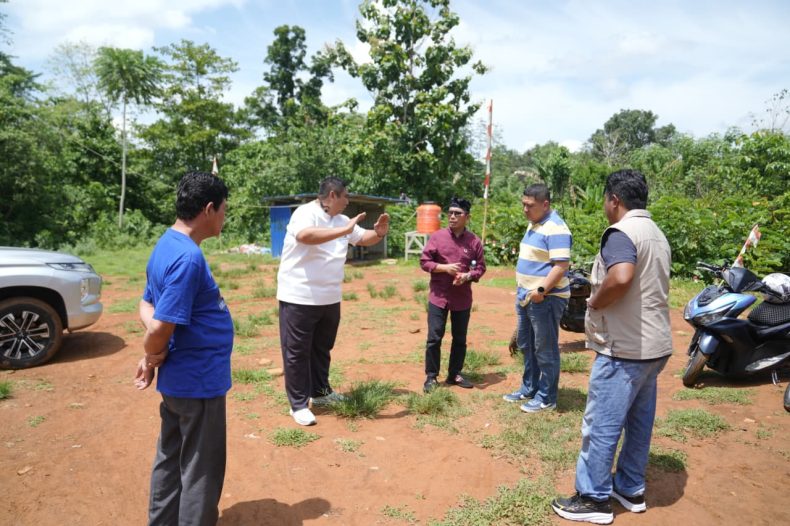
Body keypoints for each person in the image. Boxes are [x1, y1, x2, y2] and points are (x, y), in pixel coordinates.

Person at [551, 169, 672, 525]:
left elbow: (620, 277)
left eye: (605, 200)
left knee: (601, 425)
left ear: (614, 200)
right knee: (639, 422)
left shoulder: (621, 232)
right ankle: (630, 488)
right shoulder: (656, 232)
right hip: (653, 347)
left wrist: (595, 301)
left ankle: (593, 498)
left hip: (624, 349)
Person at [134, 171, 234, 526]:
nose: (224, 217)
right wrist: (152, 353)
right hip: (198, 381)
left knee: (171, 457)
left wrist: (155, 352)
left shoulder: (167, 244)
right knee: (201, 469)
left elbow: (146, 305)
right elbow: (160, 325)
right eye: (224, 209)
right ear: (208, 209)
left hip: (180, 380)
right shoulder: (188, 258)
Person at [277, 177, 389, 426]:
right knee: (297, 352)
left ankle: (320, 393)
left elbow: (363, 237)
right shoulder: (305, 213)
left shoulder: (342, 221)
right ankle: (298, 405)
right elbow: (305, 236)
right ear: (332, 195)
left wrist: (379, 233)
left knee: (321, 348)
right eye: (345, 196)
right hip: (299, 296)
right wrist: (345, 230)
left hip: (330, 298)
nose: (348, 200)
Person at [503, 183, 572, 412]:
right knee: (527, 345)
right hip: (527, 297)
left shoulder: (556, 228)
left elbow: (561, 266)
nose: (525, 209)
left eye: (530, 205)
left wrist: (540, 291)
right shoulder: (534, 223)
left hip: (546, 298)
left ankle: (547, 397)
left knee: (545, 349)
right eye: (523, 204)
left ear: (545, 204)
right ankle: (529, 388)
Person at [419, 197, 486, 393]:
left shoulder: (474, 242)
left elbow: (480, 268)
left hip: (462, 298)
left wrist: (467, 276)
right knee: (434, 337)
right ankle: (431, 376)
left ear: (467, 217)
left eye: (457, 213)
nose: (452, 217)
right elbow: (424, 262)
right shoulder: (437, 237)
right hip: (438, 297)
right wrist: (444, 268)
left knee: (460, 339)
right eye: (450, 213)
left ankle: (454, 374)